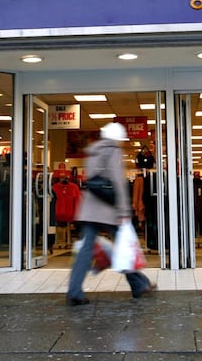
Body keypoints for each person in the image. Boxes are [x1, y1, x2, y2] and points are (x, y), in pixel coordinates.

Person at [66, 122, 153, 306]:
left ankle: (74, 291)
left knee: (85, 251)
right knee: (124, 248)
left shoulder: (93, 151)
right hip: (108, 209)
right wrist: (124, 210)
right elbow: (117, 181)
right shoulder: (113, 150)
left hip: (89, 208)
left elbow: (92, 178)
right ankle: (139, 284)